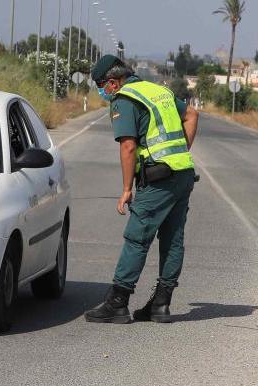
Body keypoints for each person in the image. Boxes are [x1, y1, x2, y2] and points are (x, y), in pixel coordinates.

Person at [84, 55, 198, 324]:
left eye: (102, 86)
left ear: (113, 82)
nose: (102, 91)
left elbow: (128, 146)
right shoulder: (158, 91)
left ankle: (118, 302)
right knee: (173, 239)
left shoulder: (125, 99)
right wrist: (179, 152)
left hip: (158, 179)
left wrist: (126, 189)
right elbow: (192, 115)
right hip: (182, 173)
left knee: (137, 237)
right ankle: (161, 304)